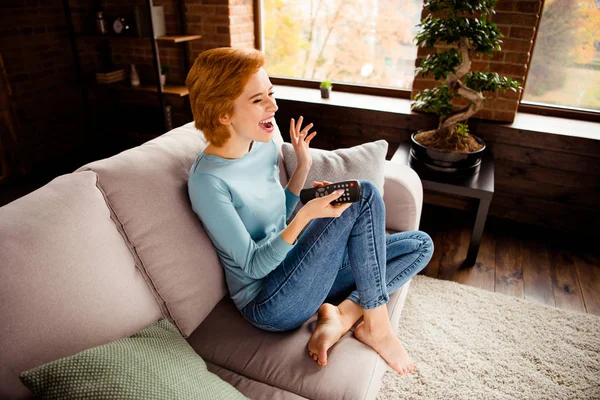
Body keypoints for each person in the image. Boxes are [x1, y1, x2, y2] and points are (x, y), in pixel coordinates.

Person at [186, 47, 434, 376]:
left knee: (420, 245)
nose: (273, 107)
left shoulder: (262, 144)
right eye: (258, 100)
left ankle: (343, 316)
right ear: (223, 114)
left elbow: (280, 214)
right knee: (366, 194)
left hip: (298, 273)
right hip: (268, 302)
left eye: (271, 94)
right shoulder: (208, 182)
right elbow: (254, 265)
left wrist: (303, 165)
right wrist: (308, 215)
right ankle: (376, 324)